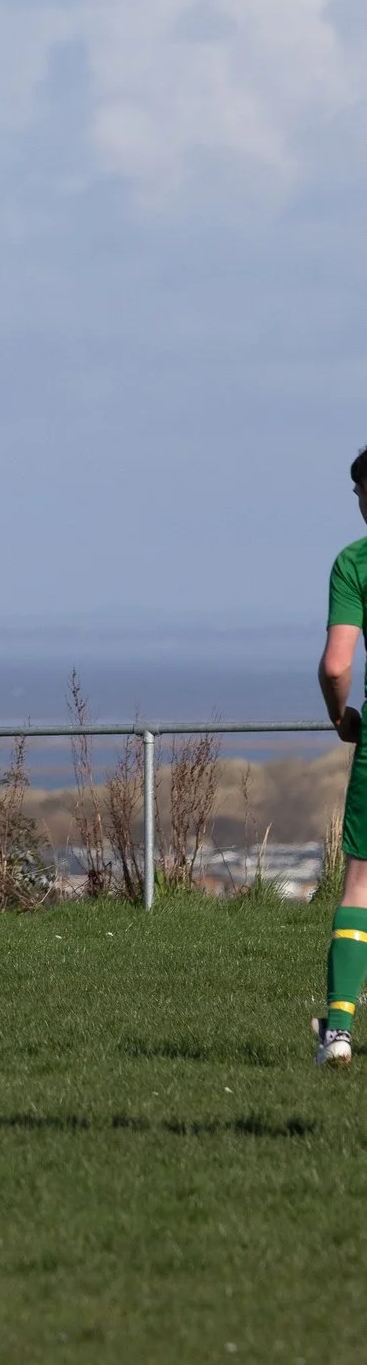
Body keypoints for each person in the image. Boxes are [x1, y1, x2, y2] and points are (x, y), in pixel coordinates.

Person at [311, 447, 367, 1066]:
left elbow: (336, 665)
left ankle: (340, 1031)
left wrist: (339, 714)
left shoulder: (355, 563)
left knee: (361, 881)